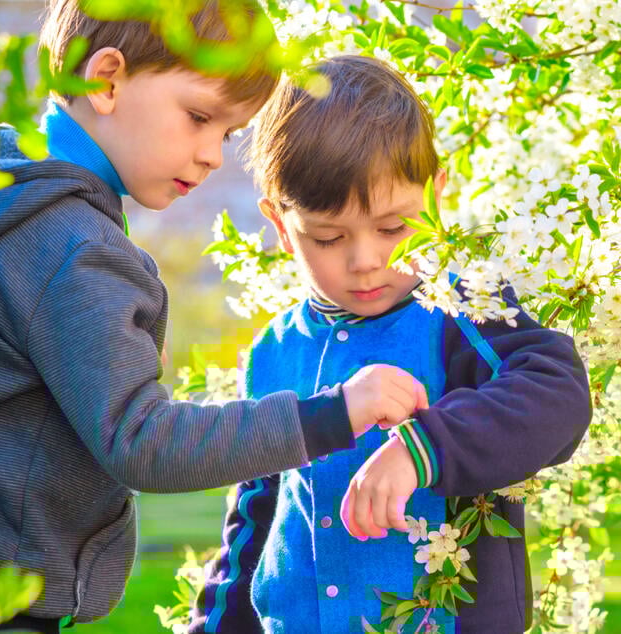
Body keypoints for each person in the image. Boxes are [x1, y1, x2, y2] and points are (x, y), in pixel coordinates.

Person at [0, 5, 429, 633]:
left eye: (230, 134)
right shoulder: (77, 250)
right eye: (200, 118)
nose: (212, 155)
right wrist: (331, 413)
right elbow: (142, 442)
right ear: (106, 81)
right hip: (2, 602)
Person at [188, 55, 592, 634]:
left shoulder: (462, 310)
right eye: (328, 237)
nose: (366, 261)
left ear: (435, 196)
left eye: (393, 228)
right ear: (281, 225)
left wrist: (421, 448)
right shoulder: (274, 349)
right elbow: (255, 519)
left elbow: (557, 393)